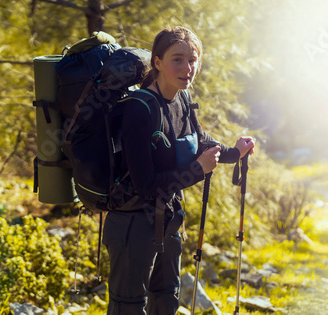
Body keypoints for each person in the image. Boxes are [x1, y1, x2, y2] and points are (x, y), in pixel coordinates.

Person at [102, 26, 255, 315]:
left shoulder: (182, 98)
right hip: (133, 224)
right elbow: (146, 185)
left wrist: (235, 153)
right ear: (157, 62)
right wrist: (198, 170)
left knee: (166, 298)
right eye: (177, 59)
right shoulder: (140, 109)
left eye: (192, 59)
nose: (188, 68)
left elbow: (197, 141)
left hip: (169, 219)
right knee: (129, 307)